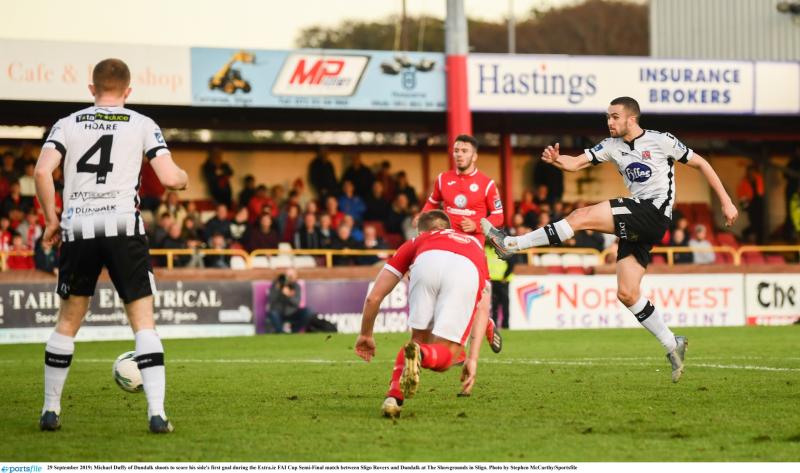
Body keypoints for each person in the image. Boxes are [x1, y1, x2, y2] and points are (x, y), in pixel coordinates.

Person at [483, 96, 738, 383]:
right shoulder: (611, 145)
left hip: (654, 212)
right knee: (627, 293)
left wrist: (726, 202)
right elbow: (575, 163)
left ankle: (511, 244)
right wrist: (557, 160)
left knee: (580, 216)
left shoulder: (661, 140)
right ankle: (672, 343)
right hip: (639, 219)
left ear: (632, 119)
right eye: (607, 117)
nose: (609, 122)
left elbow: (701, 163)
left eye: (615, 117)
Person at [34, 58, 188, 433]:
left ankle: (51, 411)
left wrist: (52, 220)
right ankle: (157, 414)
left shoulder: (67, 123)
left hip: (78, 229)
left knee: (67, 321)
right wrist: (183, 177)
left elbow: (41, 171)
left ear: (92, 89)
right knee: (143, 323)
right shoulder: (142, 123)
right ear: (128, 91)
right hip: (123, 227)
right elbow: (170, 178)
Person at [355, 210, 490, 418]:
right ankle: (421, 356)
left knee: (417, 340)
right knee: (449, 355)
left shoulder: (416, 241)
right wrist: (472, 358)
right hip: (466, 267)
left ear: (421, 231)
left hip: (426, 262)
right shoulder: (475, 245)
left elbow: (373, 298)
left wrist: (366, 334)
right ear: (447, 228)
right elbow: (483, 307)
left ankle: (393, 398)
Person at [421, 134, 504, 354]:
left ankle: (487, 325)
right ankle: (455, 350)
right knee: (441, 293)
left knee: (478, 296)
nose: (459, 154)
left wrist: (477, 225)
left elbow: (499, 216)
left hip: (473, 247)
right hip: (446, 246)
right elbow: (430, 205)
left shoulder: (487, 184)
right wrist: (422, 220)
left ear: (474, 156)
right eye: (456, 150)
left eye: (464, 151)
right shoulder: (442, 179)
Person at [266, 268, 314, 333]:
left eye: (291, 276)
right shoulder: (277, 285)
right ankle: (280, 333)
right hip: (278, 312)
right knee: (273, 313)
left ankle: (295, 331)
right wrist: (278, 290)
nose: (289, 278)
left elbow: (296, 303)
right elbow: (271, 300)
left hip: (292, 312)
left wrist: (288, 295)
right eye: (288, 276)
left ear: (295, 277)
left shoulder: (296, 286)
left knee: (307, 311)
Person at [737, 164, 765, 244]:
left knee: (760, 224)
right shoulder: (744, 182)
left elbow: (761, 192)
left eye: (753, 171)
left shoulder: (758, 179)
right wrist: (744, 204)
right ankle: (745, 233)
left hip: (759, 204)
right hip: (750, 205)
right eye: (750, 171)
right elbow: (741, 194)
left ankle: (760, 243)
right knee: (754, 224)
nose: (751, 173)